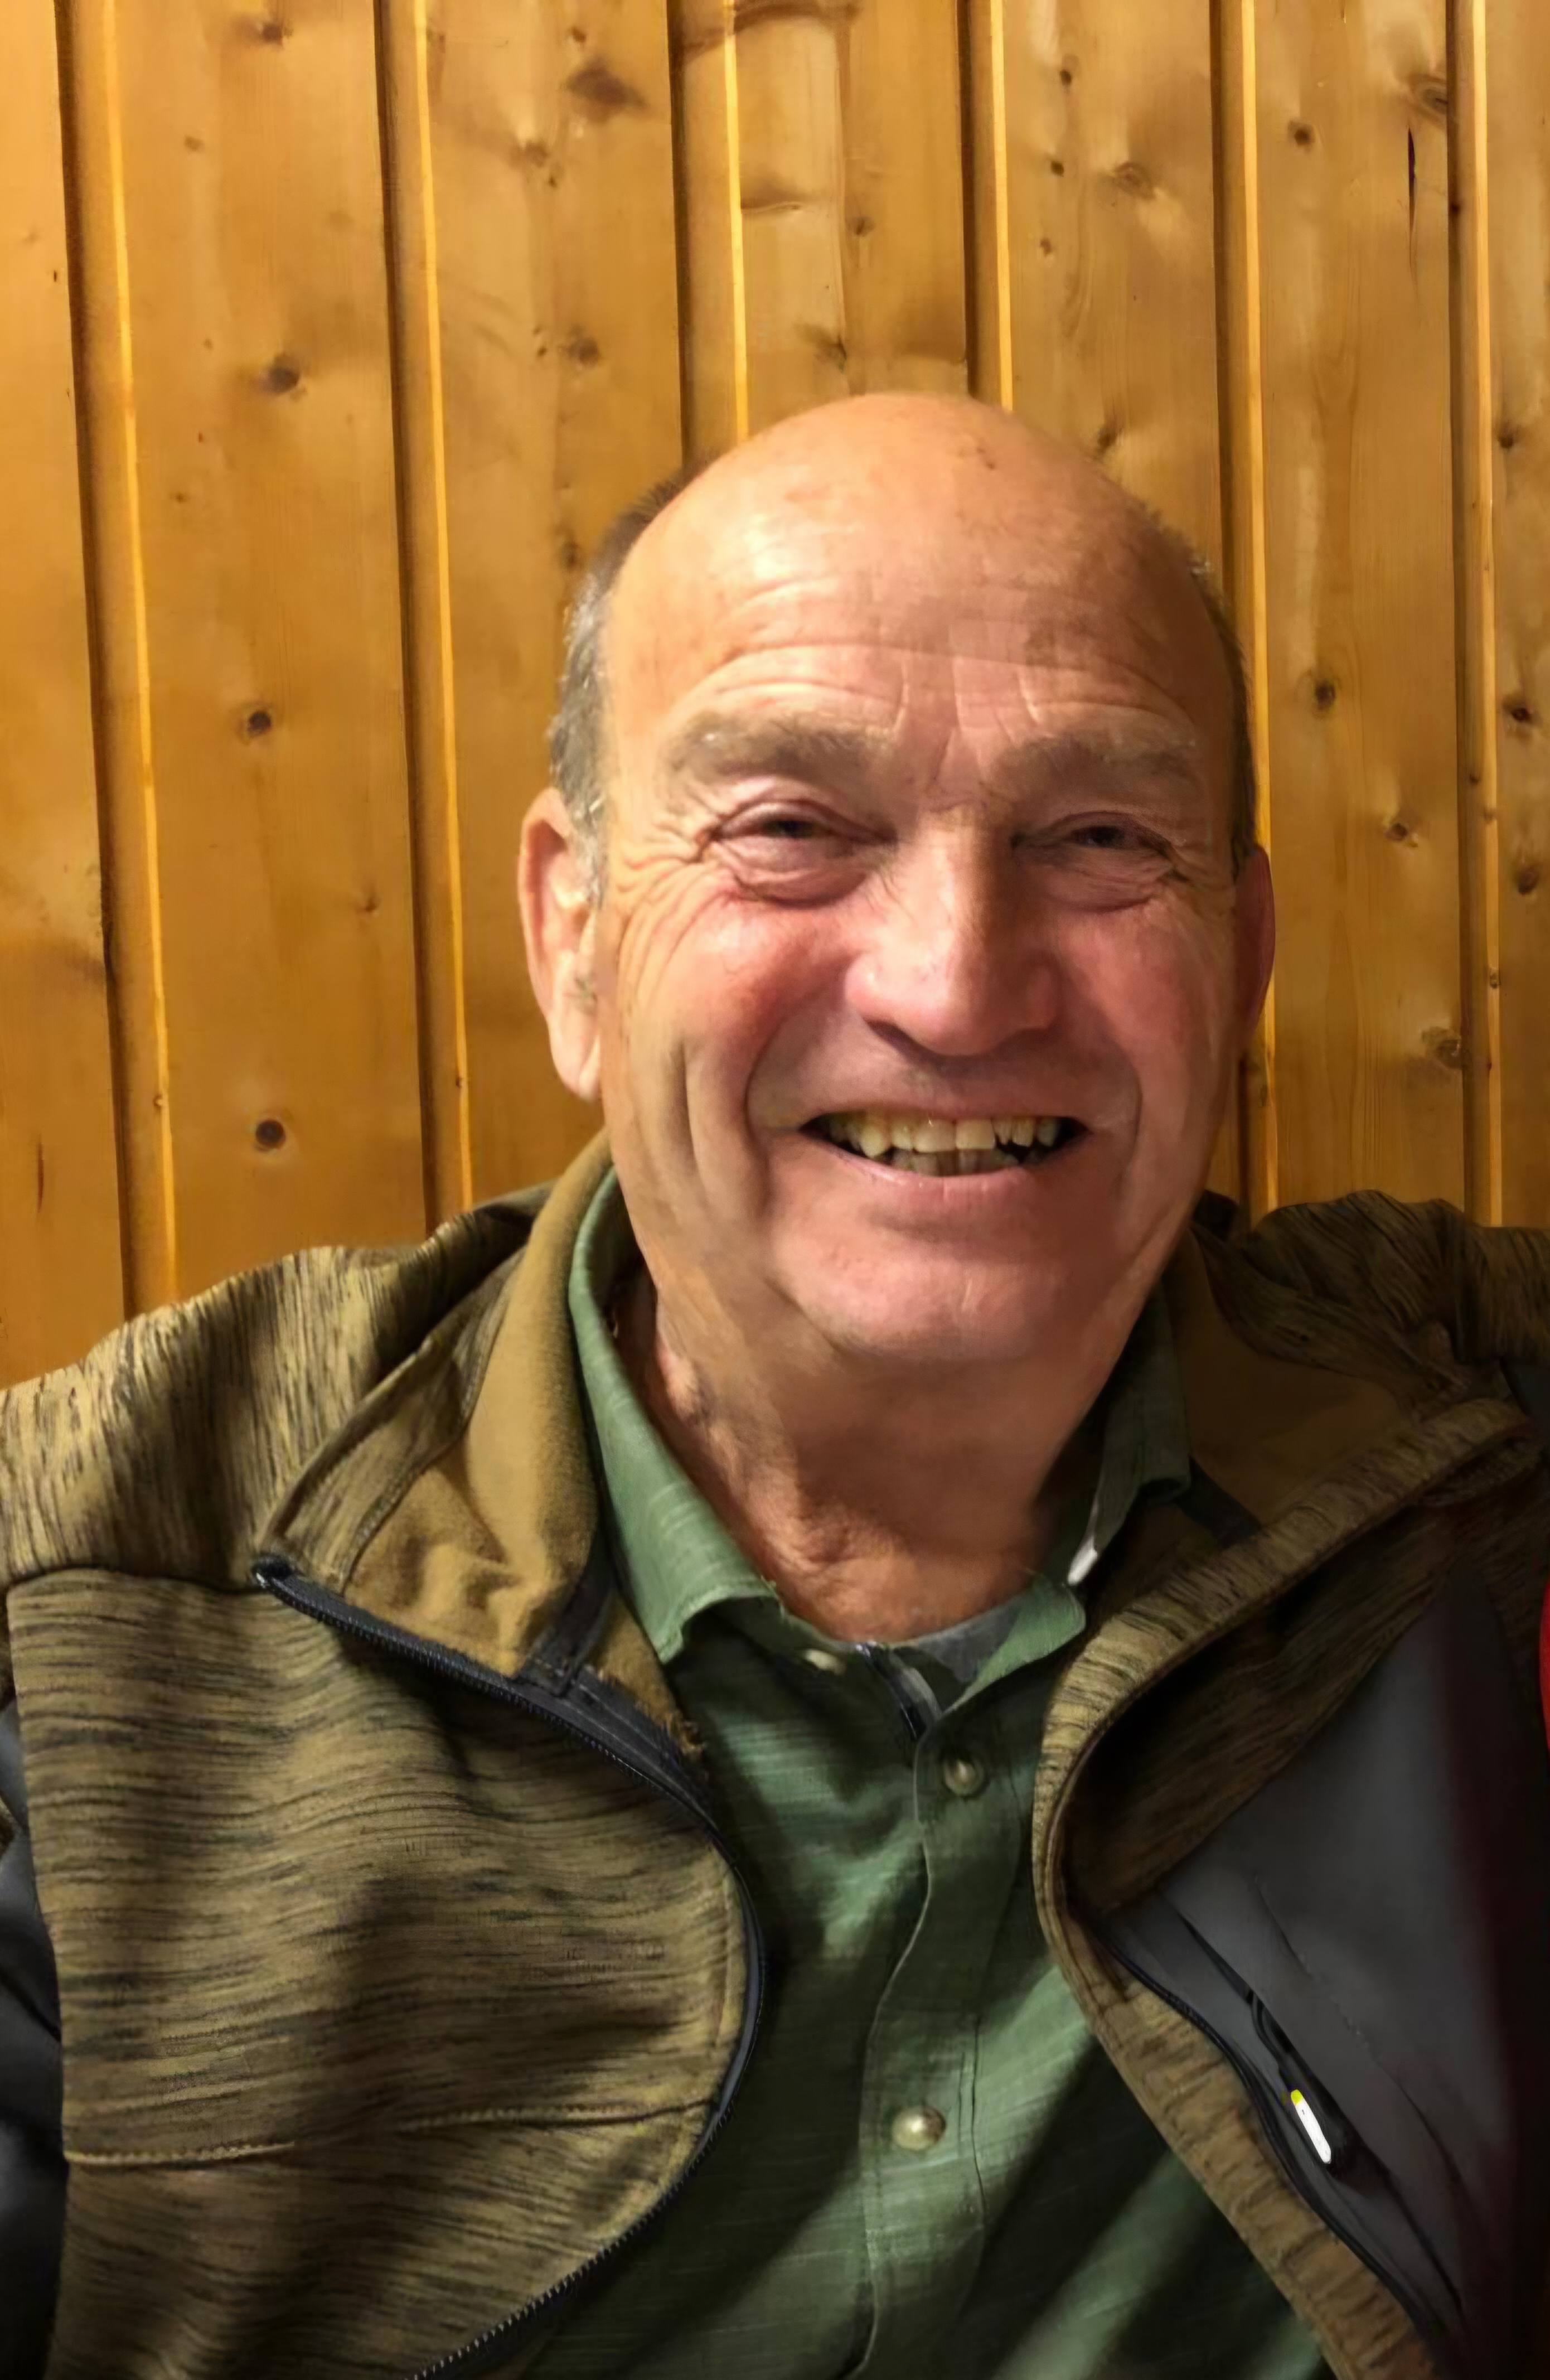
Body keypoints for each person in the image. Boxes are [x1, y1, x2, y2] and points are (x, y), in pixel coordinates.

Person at [2, 393, 1549, 2380]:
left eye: (1098, 838)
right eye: (792, 830)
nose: (954, 984)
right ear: (575, 936)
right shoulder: (97, 1598)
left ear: (1239, 957)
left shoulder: (1445, 1428)